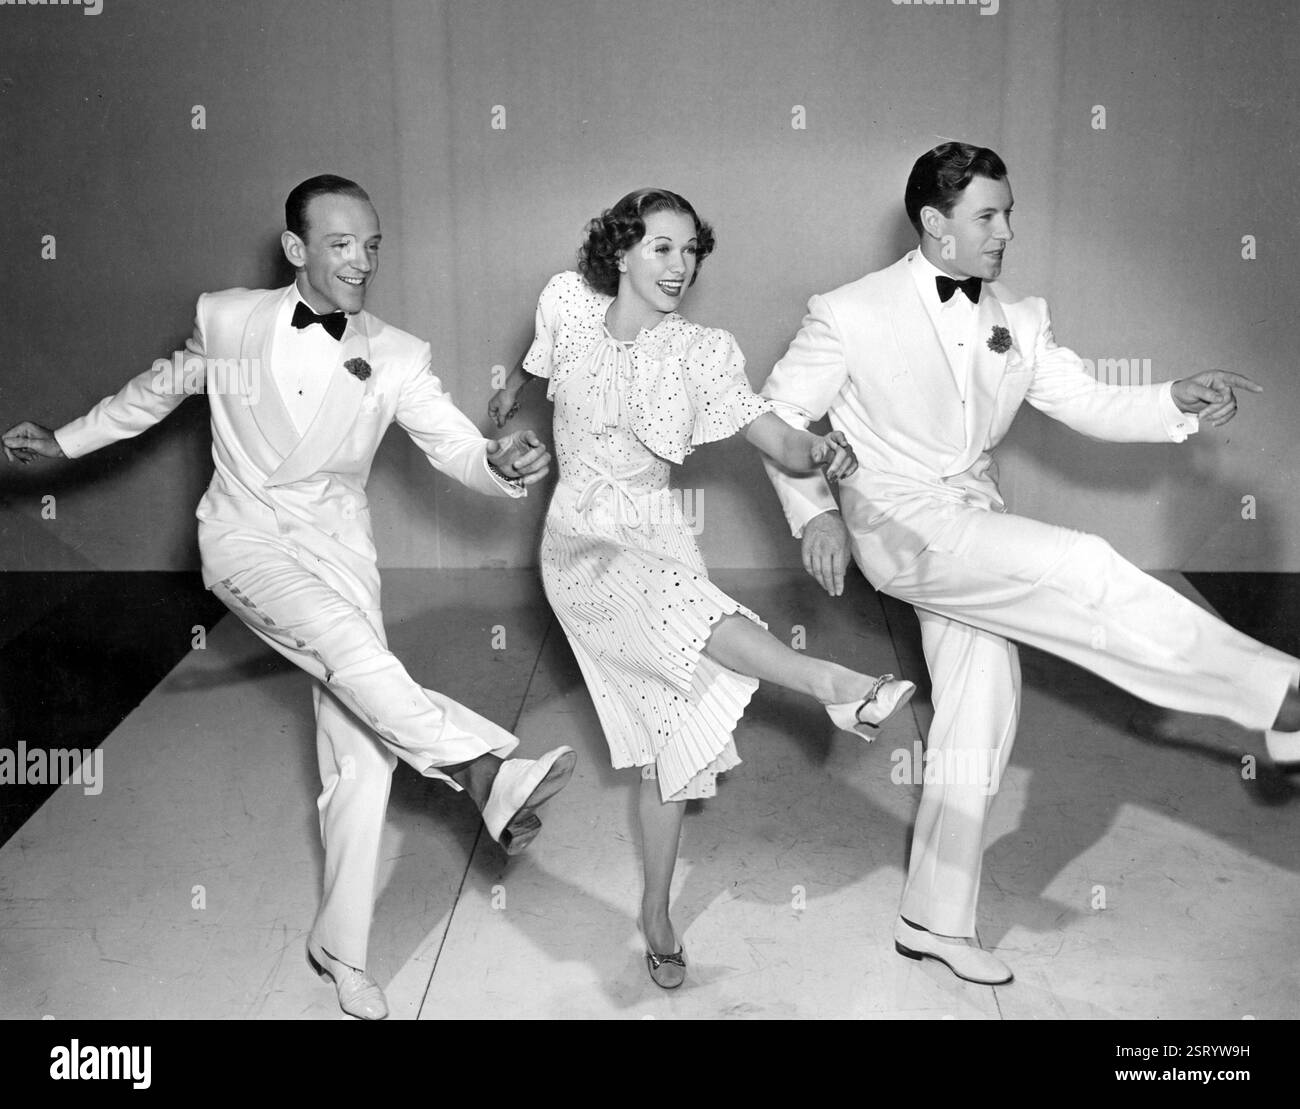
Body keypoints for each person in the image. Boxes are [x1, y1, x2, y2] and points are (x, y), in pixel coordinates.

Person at [2, 175, 578, 1020]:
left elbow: (455, 442)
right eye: (342, 244)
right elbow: (156, 391)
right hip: (243, 541)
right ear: (297, 248)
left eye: (373, 244)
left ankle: (340, 952)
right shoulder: (228, 319)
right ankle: (482, 764)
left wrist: (497, 462)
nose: (362, 261)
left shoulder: (397, 353)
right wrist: (65, 440)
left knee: (362, 755)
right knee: (353, 655)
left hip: (339, 552)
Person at [760, 141, 1300, 986]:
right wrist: (813, 514)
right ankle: (1277, 695)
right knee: (1082, 564)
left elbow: (1082, 398)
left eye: (1009, 211)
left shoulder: (1023, 315)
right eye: (988, 214)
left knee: (980, 706)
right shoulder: (849, 311)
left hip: (972, 516)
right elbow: (778, 411)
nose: (1007, 229)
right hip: (897, 522)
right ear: (935, 224)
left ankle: (932, 919)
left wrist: (1170, 400)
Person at [489, 188, 915, 989]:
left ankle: (655, 913)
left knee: (671, 748)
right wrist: (509, 404)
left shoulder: (701, 354)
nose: (681, 265)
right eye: (662, 247)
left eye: (691, 250)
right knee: (684, 610)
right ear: (620, 252)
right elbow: (530, 371)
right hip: (582, 540)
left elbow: (775, 437)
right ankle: (831, 683)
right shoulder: (566, 303)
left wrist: (820, 451)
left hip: (658, 534)